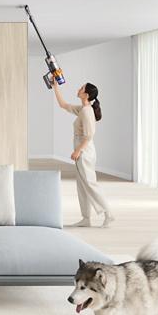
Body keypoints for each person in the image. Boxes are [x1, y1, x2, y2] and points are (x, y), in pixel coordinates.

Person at [54, 81, 112, 227]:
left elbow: (89, 136)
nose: (78, 89)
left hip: (84, 151)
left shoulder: (86, 112)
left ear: (86, 94)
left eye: (81, 88)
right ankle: (86, 218)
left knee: (90, 184)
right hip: (82, 150)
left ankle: (108, 213)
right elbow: (64, 105)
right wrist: (55, 87)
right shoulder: (83, 109)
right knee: (82, 185)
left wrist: (77, 151)